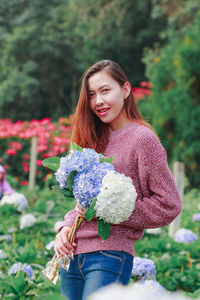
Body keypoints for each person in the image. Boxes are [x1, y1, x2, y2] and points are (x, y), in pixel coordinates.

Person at [54, 59, 182, 300]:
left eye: (105, 90)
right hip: (72, 255)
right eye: (92, 94)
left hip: (109, 256)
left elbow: (169, 204)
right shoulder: (92, 138)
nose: (98, 101)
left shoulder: (142, 139)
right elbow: (83, 203)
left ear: (125, 90)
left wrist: (113, 210)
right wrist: (65, 227)